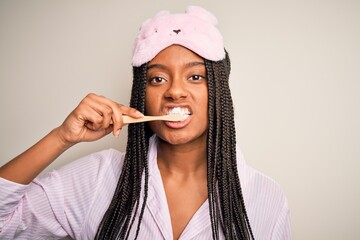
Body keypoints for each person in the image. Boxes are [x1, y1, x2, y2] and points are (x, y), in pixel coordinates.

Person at [0, 6, 291, 240]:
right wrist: (61, 138)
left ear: (219, 92)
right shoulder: (98, 177)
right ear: (142, 94)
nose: (175, 91)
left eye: (195, 76)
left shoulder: (266, 197)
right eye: (157, 79)